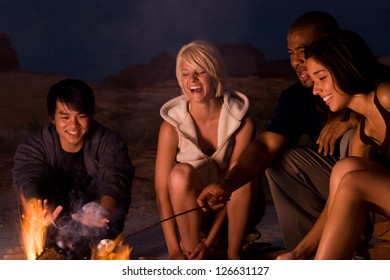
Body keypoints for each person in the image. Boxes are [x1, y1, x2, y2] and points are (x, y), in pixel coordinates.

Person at [196, 11, 360, 251]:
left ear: (330, 44)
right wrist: (227, 184)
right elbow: (265, 146)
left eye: (303, 51)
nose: (295, 62)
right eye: (290, 53)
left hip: (371, 184)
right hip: (336, 186)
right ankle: (306, 253)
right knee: (280, 158)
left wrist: (352, 120)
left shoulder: (370, 82)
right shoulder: (298, 97)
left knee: (350, 139)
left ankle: (351, 239)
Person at [155, 40, 263, 260]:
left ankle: (234, 255)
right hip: (196, 218)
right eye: (185, 73)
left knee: (241, 172)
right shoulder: (170, 126)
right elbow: (162, 193)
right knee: (179, 174)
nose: (192, 79)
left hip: (237, 213)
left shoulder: (242, 121)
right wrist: (174, 250)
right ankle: (192, 253)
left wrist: (211, 241)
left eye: (200, 71)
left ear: (215, 73)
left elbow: (237, 182)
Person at [287, 29, 390, 260]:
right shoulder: (363, 133)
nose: (315, 89)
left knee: (353, 180)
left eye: (321, 77)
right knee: (345, 169)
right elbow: (335, 203)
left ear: (345, 66)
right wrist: (298, 252)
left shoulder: (386, 96)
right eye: (313, 81)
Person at [13, 78, 134, 259]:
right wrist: (36, 209)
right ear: (52, 117)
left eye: (81, 116)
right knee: (50, 254)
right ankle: (51, 248)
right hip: (53, 221)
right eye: (65, 117)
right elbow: (28, 178)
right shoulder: (32, 148)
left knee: (100, 252)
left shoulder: (110, 142)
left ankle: (103, 244)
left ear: (91, 116)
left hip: (94, 221)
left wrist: (102, 210)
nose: (73, 125)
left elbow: (116, 177)